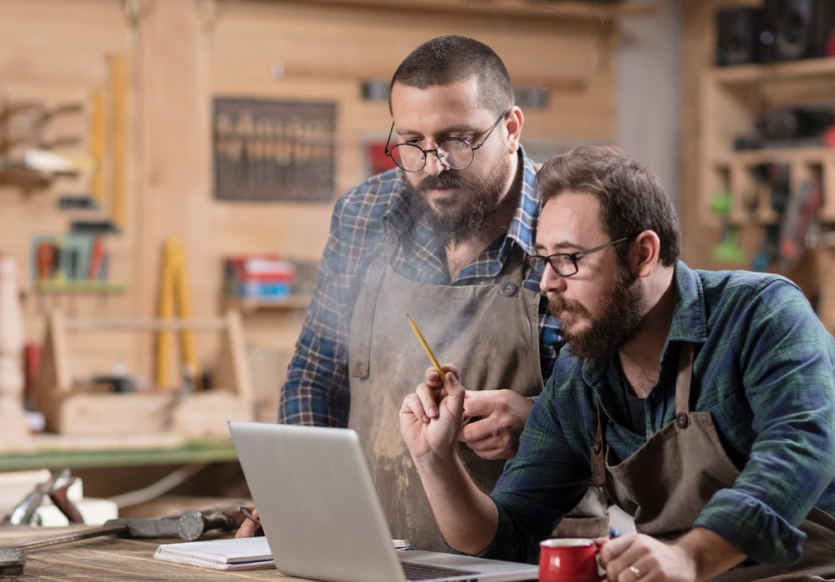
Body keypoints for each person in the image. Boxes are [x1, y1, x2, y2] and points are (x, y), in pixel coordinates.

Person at [400, 143, 835, 582]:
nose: (548, 284)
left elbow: (799, 455)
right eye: (542, 260)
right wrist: (434, 460)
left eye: (569, 260)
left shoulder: (763, 314)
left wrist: (686, 558)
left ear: (642, 254)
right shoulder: (580, 378)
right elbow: (503, 539)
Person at [239, 35, 608, 552]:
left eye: (459, 140)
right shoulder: (364, 216)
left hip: (532, 567)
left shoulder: (573, 225)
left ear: (511, 128)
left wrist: (540, 420)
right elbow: (317, 375)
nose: (434, 165)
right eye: (413, 142)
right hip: (377, 555)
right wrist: (303, 498)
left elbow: (629, 405)